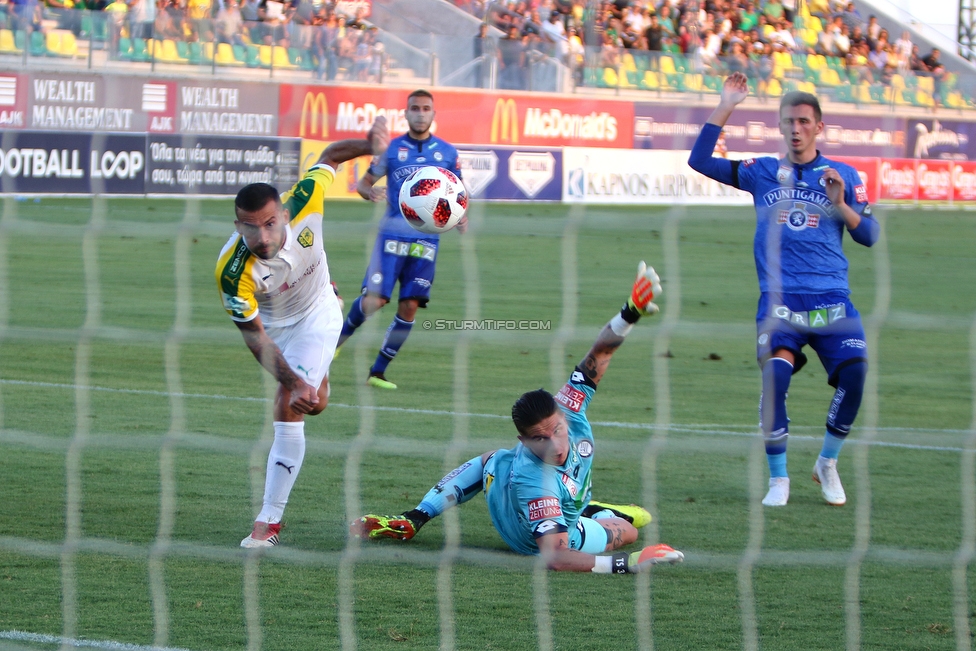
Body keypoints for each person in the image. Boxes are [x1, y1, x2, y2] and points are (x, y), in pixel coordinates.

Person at [353, 264, 685, 573]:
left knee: (492, 461)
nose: (554, 443)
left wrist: (629, 313)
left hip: (513, 488)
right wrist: (631, 562)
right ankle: (593, 511)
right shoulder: (534, 478)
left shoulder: (569, 404)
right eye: (539, 439)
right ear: (523, 442)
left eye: (557, 429)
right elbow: (555, 556)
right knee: (628, 530)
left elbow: (600, 353)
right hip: (535, 538)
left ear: (562, 413)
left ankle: (416, 517)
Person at [688, 73, 879, 507]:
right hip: (780, 302)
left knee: (855, 374)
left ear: (819, 127)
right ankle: (778, 479)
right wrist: (726, 105)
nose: (796, 128)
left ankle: (826, 463)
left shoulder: (843, 175)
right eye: (789, 121)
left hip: (832, 300)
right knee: (776, 376)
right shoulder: (763, 172)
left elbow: (870, 235)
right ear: (780, 126)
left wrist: (841, 203)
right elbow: (699, 161)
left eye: (804, 121)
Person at [217, 118, 389, 548]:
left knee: (290, 404)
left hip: (319, 312)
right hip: (274, 328)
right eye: (249, 227)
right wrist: (293, 379)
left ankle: (267, 523)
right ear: (238, 226)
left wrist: (368, 145)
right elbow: (255, 338)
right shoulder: (232, 271)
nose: (262, 235)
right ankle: (313, 377)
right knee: (311, 400)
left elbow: (331, 155)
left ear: (284, 214)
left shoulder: (307, 199)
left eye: (270, 223)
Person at [337, 89, 465, 390]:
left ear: (433, 114)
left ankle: (378, 372)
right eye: (415, 108)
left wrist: (462, 217)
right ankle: (336, 342)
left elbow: (459, 193)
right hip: (392, 234)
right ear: (406, 114)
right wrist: (370, 192)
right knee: (376, 299)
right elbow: (364, 182)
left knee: (409, 306)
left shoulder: (447, 153)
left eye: (425, 108)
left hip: (427, 240)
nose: (420, 113)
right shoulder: (391, 150)